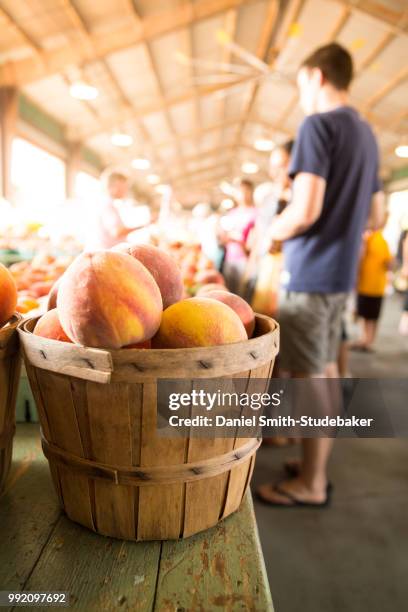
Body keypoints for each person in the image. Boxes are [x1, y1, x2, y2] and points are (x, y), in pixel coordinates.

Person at [256, 43, 384, 507]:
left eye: (300, 84)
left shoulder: (317, 125)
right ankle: (310, 461)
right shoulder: (367, 135)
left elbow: (305, 209)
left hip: (310, 273)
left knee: (311, 376)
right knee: (325, 370)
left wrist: (272, 231)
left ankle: (311, 483)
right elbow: (376, 214)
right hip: (341, 275)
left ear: (314, 76)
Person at [352, 228, 392, 351]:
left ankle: (366, 341)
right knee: (370, 316)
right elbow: (389, 263)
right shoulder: (381, 240)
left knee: (367, 315)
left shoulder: (371, 239)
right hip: (375, 286)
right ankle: (367, 340)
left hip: (368, 285)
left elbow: (359, 258)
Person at [220, 179, 257, 295]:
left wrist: (241, 242)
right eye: (240, 191)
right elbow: (225, 237)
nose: (243, 194)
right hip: (230, 258)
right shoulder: (232, 213)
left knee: (242, 294)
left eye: (246, 191)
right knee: (228, 292)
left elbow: (256, 239)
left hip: (245, 259)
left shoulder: (256, 213)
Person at [86, 170, 133, 250]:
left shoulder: (104, 203)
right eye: (124, 186)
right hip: (107, 254)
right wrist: (145, 224)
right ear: (114, 186)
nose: (126, 190)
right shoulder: (107, 205)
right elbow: (117, 232)